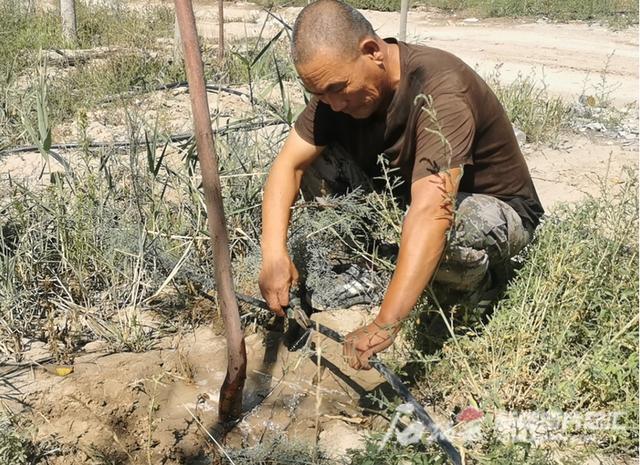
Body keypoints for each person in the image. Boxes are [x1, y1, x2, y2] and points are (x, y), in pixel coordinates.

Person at [258, 0, 544, 370]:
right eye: (319, 94)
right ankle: (363, 278)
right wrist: (273, 255)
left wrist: (385, 323)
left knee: (452, 222)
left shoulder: (438, 86)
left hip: (495, 209)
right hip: (410, 201)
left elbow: (432, 212)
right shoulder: (334, 94)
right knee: (317, 162)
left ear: (373, 51)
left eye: (337, 88)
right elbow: (287, 167)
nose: (333, 104)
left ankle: (476, 289)